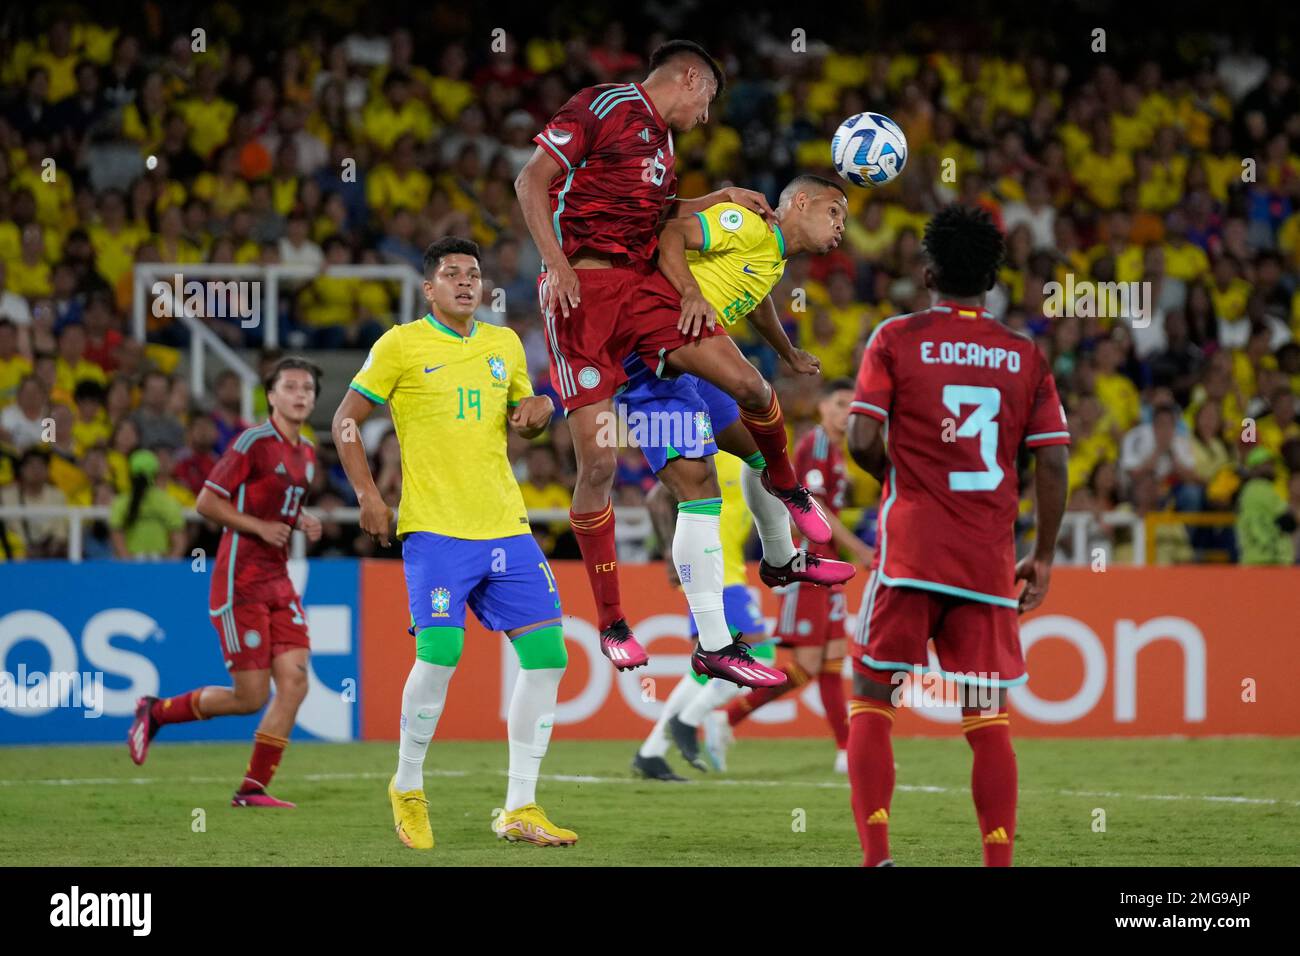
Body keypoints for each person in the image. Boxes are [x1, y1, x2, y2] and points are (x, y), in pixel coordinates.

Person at [514, 39, 830, 675]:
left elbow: (661, 219)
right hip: (582, 290)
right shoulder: (604, 106)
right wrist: (556, 265)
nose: (706, 115)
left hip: (637, 291)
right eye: (708, 100)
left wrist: (718, 199)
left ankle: (788, 496)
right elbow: (532, 180)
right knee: (598, 462)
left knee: (746, 382)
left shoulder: (662, 147)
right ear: (689, 79)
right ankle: (612, 622)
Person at [845, 204, 1070, 867]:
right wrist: (1047, 555)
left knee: (873, 700)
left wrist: (904, 478)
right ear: (993, 280)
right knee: (987, 716)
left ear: (929, 271)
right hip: (985, 561)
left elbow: (860, 437)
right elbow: (1053, 459)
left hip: (911, 555)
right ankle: (997, 864)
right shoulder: (1024, 354)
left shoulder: (895, 337)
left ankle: (878, 859)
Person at [331, 237, 575, 850]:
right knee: (440, 655)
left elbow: (525, 420)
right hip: (437, 529)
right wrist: (367, 494)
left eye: (473, 273)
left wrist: (541, 410)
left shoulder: (505, 344)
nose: (465, 282)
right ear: (429, 288)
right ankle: (407, 786)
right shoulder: (400, 344)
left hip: (506, 525)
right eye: (451, 274)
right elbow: (345, 421)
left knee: (549, 657)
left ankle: (521, 805)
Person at [126, 358, 325, 810]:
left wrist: (299, 520)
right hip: (240, 583)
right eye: (289, 386)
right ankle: (155, 712)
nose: (300, 394)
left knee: (294, 682)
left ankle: (252, 788)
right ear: (271, 396)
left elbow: (277, 506)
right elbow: (206, 502)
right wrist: (258, 526)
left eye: (307, 388)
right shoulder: (253, 442)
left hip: (278, 581)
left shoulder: (308, 452)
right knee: (249, 696)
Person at [713, 378, 876, 772]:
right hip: (808, 563)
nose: (845, 413)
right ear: (821, 408)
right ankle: (728, 716)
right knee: (806, 666)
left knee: (834, 661)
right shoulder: (818, 445)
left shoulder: (835, 452)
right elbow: (815, 512)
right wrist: (859, 549)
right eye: (839, 403)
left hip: (827, 565)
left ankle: (845, 750)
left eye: (853, 406)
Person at [631, 452, 777, 780]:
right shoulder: (718, 453)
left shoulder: (750, 460)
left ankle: (651, 752)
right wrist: (669, 552)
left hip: (724, 572)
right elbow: (656, 499)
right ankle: (688, 721)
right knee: (761, 656)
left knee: (705, 668)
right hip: (717, 576)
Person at [108, 449, 186, 559]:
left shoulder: (121, 502)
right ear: (155, 474)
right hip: (160, 566)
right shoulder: (168, 501)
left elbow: (117, 535)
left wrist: (128, 562)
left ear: (130, 473)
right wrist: (169, 565)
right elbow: (179, 541)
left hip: (130, 567)